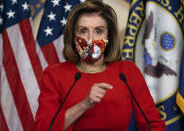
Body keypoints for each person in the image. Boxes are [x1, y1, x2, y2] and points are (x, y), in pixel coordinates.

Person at [35, 0, 166, 130]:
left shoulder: (126, 71)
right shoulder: (55, 74)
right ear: (74, 37)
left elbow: (154, 124)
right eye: (83, 31)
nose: (91, 39)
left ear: (108, 37)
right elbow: (43, 128)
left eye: (98, 31)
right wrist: (85, 104)